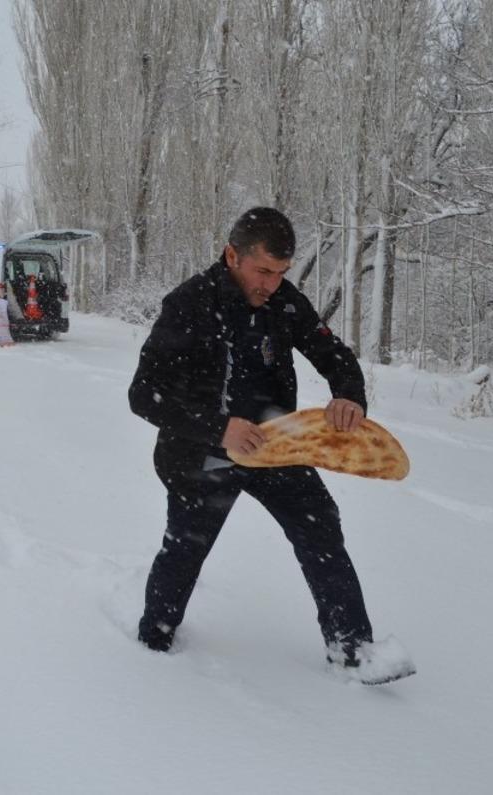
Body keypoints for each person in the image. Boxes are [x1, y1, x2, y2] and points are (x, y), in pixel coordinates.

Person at [128, 206, 413, 684]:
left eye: (281, 273)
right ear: (232, 255)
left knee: (320, 527)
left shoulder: (284, 301)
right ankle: (153, 642)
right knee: (186, 549)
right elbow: (144, 394)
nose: (271, 284)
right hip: (202, 454)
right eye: (262, 271)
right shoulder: (189, 304)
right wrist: (220, 428)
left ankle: (353, 649)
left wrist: (349, 394)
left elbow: (332, 352)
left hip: (275, 446)